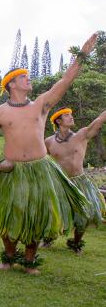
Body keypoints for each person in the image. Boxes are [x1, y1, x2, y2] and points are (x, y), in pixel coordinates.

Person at [0, 33, 97, 275]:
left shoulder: (40, 105)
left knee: (36, 217)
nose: (28, 78)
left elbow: (65, 80)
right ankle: (9, 258)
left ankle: (30, 261)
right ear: (11, 84)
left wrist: (82, 55)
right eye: (24, 77)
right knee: (7, 216)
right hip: (10, 168)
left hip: (39, 169)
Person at [44, 107, 106, 253]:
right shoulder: (49, 142)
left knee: (84, 215)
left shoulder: (82, 135)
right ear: (58, 121)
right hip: (59, 182)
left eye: (71, 115)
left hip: (80, 182)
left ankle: (75, 243)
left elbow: (99, 121)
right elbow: (42, 160)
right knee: (53, 213)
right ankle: (48, 238)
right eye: (67, 115)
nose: (71, 117)